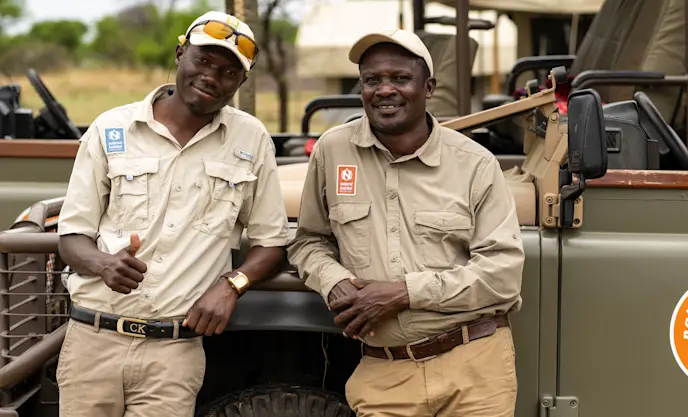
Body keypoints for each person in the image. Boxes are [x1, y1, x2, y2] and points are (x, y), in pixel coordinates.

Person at [55, 11, 290, 417]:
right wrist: (105, 263)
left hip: (174, 351)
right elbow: (71, 238)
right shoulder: (112, 128)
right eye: (203, 60)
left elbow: (272, 243)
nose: (212, 77)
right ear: (181, 53)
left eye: (229, 71)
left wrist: (231, 285)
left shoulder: (251, 139)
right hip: (93, 339)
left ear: (242, 82)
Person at [288, 28, 524, 417]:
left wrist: (403, 292)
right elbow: (309, 241)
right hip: (385, 369)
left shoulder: (475, 163)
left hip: (474, 365)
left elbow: (502, 275)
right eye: (372, 80)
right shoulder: (333, 150)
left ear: (428, 87)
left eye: (400, 78)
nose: (384, 90)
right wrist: (334, 281)